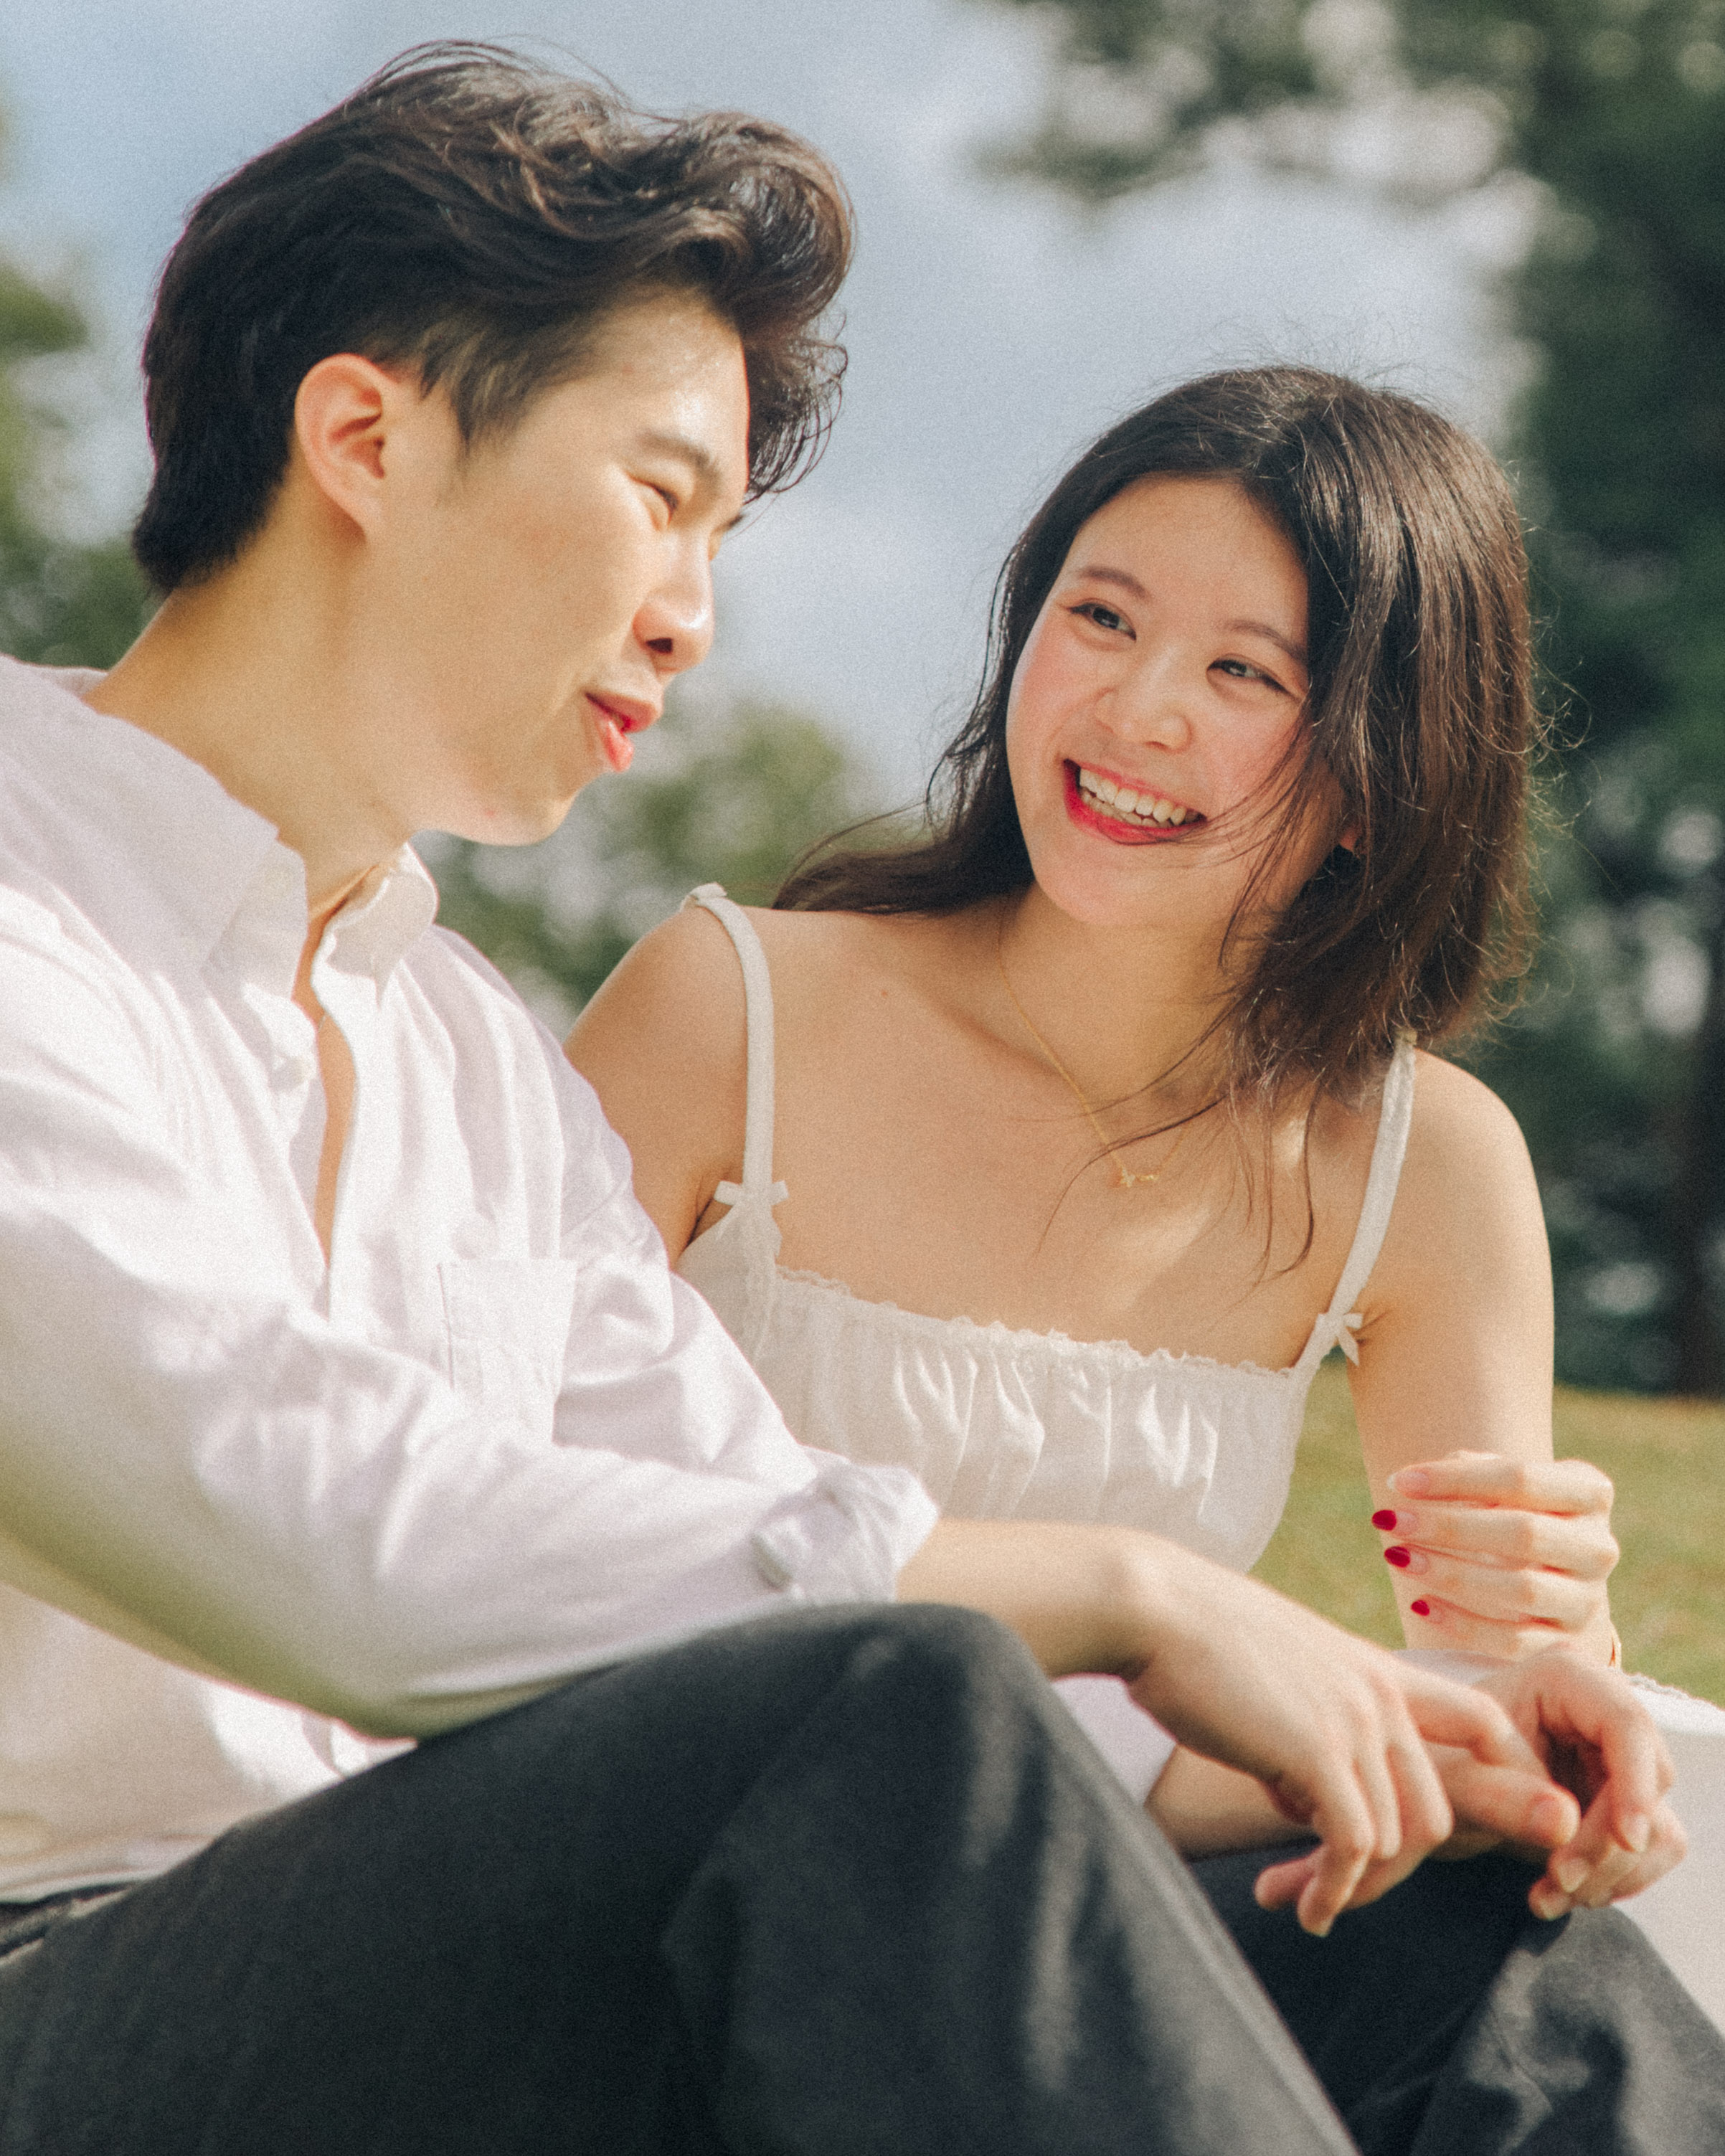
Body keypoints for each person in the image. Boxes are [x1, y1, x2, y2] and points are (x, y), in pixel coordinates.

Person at [0, 42, 1716, 2155]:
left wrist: (1401, 1737)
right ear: (364, 436)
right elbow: (321, 1527)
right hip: (68, 1991)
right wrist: (1145, 1585)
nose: (692, 624)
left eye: (721, 538)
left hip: (450, 1959)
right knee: (891, 1700)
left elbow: (751, 1531)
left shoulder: (462, 1054)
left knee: (1458, 1944)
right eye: (660, 500)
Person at [567, 369, 1725, 2004]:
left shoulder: (1425, 1163)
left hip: (1099, 1914)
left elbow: (1489, 1664)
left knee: (1537, 1970)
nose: (1138, 709)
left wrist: (1561, 1645)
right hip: (695, 1883)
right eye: (1100, 618)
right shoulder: (732, 1010)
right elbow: (499, 1518)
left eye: (1244, 671)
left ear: (1378, 779)